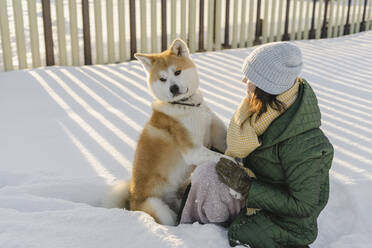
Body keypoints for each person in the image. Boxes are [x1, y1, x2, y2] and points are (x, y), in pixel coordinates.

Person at [178, 42, 334, 248]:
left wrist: (247, 187)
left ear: (267, 87)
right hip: (257, 189)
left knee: (208, 177)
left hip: (281, 218)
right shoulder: (264, 111)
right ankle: (188, 229)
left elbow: (303, 205)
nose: (245, 81)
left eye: (251, 79)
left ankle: (190, 236)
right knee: (207, 172)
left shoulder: (305, 145)